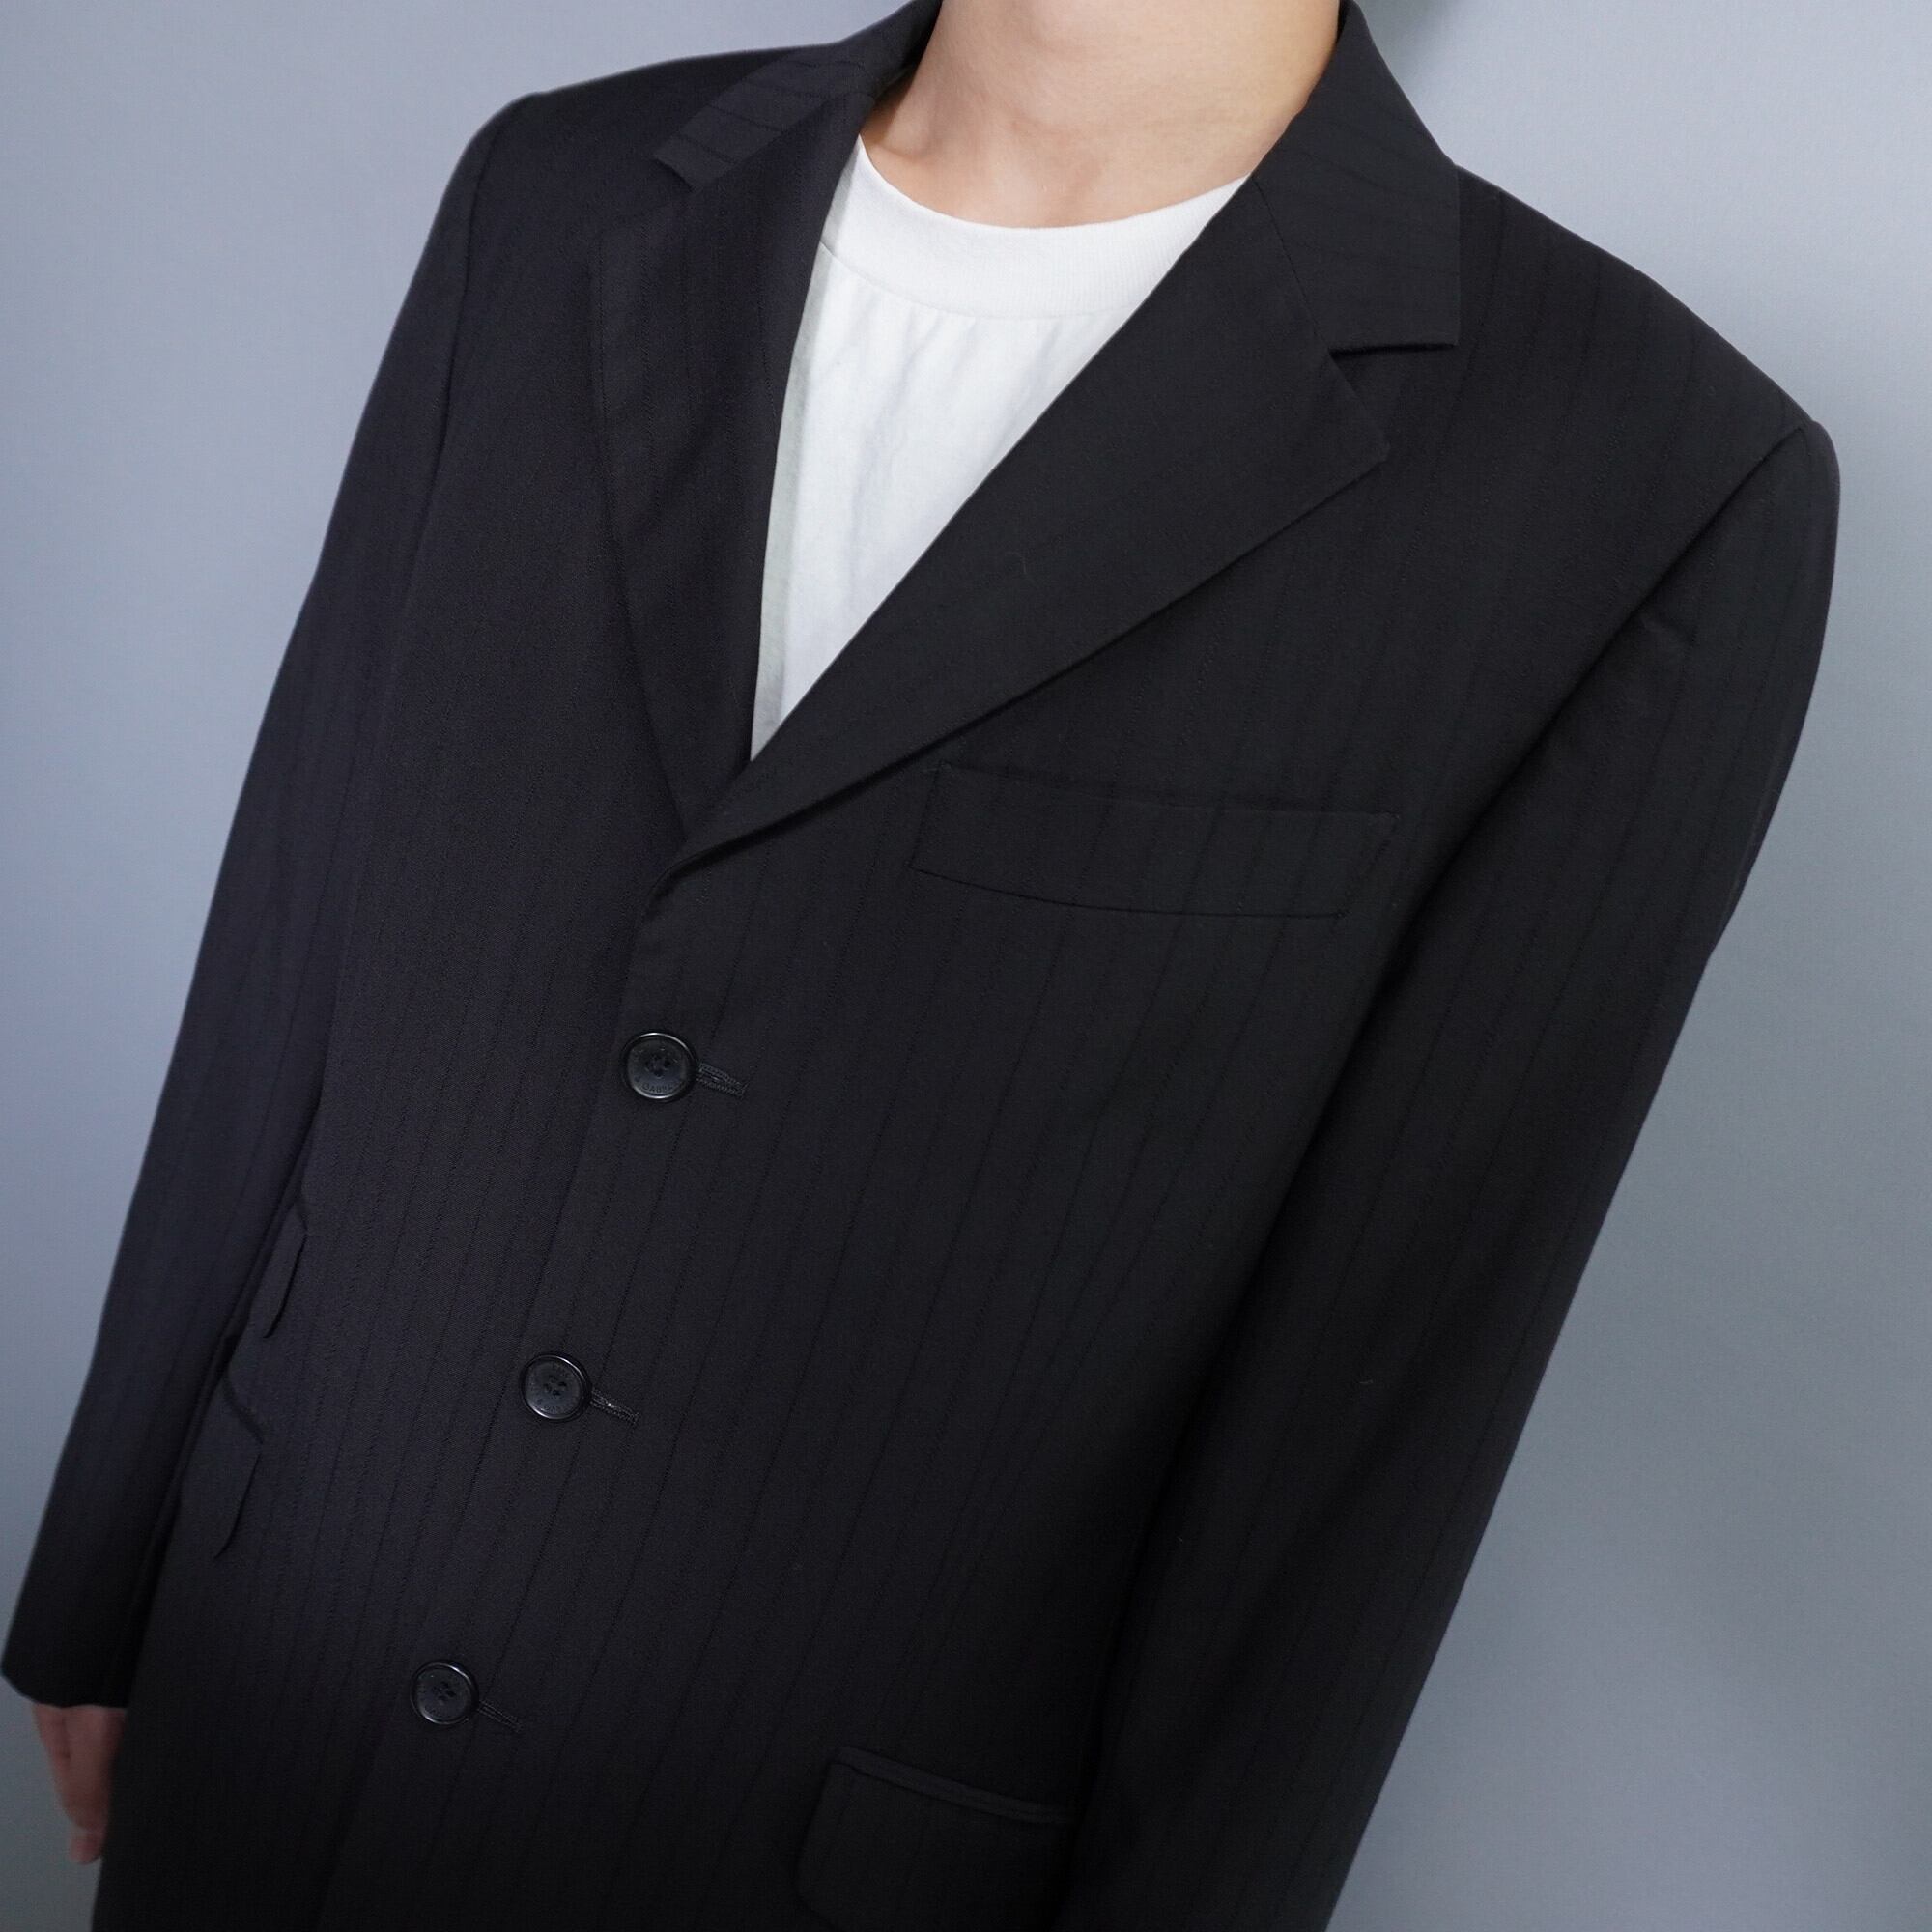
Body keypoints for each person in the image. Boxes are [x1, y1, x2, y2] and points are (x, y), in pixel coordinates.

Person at [5, 0, 1839, 1926]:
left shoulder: (1643, 479)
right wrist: (102, 1567)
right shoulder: (555, 193)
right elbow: (297, 912)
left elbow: (1369, 1423)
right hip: (258, 1713)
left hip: (811, 1864)